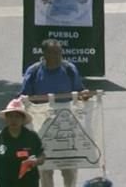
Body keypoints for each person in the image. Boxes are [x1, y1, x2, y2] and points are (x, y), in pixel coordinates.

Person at [20, 39, 88, 187]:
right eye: (54, 53)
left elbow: (79, 90)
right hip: (43, 127)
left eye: (59, 52)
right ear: (45, 54)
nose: (58, 56)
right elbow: (24, 98)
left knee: (69, 168)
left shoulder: (69, 69)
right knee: (45, 169)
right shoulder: (33, 72)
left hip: (67, 124)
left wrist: (85, 94)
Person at [0, 98, 46, 187]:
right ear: (6, 119)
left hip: (29, 183)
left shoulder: (32, 136)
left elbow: (42, 155)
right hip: (4, 183)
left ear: (23, 119)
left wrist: (36, 161)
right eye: (10, 116)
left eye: (17, 116)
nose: (13, 120)